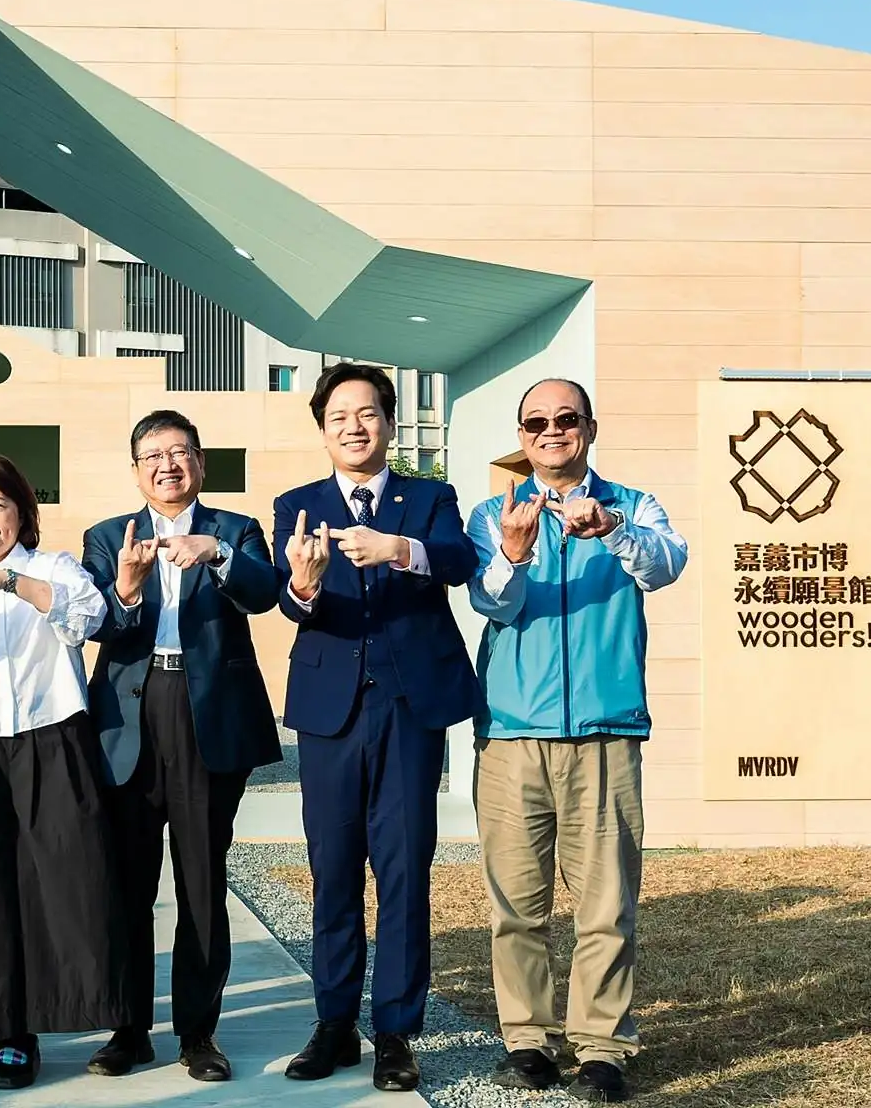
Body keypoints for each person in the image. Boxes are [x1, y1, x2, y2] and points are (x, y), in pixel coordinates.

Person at [465, 380, 687, 1105]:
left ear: (589, 428)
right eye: (536, 422)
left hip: (605, 732)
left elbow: (666, 566)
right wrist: (515, 551)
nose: (551, 431)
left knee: (606, 905)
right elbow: (491, 602)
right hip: (512, 733)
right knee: (515, 906)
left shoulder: (634, 504)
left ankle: (601, 1047)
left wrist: (612, 528)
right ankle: (527, 1039)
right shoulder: (492, 514)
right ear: (522, 436)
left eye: (566, 419)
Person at [271, 363, 476, 1094]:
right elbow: (288, 600)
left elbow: (459, 561)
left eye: (366, 414)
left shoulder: (428, 498)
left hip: (408, 706)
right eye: (339, 418)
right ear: (322, 431)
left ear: (389, 423)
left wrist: (399, 549)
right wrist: (302, 582)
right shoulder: (297, 505)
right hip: (330, 710)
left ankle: (395, 1030)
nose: (353, 428)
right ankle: (334, 1023)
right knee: (332, 869)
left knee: (404, 868)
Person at [80, 410, 282, 1083]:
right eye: (153, 456)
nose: (167, 465)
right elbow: (95, 622)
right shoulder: (108, 536)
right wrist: (127, 587)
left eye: (180, 452)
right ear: (136, 470)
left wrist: (214, 553)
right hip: (130, 719)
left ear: (199, 461)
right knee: (128, 885)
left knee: (201, 881)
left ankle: (199, 1032)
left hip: (207, 716)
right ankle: (129, 1030)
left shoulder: (234, 528)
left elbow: (264, 593)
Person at [0, 454, 122, 1092]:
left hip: (53, 738)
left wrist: (9, 582)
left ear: (21, 512)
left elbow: (85, 619)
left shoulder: (55, 568)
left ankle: (28, 1029)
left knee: (56, 882)